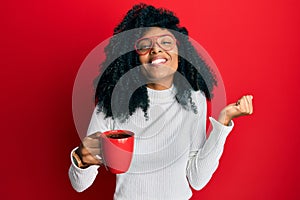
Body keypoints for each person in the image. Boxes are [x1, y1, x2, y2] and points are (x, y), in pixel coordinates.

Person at [69, 3, 253, 200]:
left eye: (166, 42)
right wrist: (82, 158)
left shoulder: (194, 100)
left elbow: (197, 179)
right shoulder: (114, 102)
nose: (155, 49)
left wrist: (223, 123)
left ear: (179, 53)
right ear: (134, 59)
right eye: (144, 45)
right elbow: (80, 185)